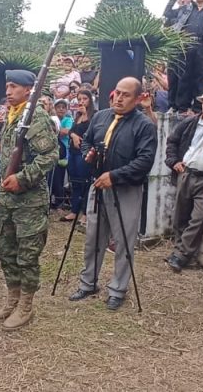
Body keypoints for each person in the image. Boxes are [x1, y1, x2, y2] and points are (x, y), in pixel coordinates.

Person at [69, 77, 158, 310]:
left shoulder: (144, 125)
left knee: (123, 241)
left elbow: (145, 161)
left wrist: (115, 175)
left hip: (125, 188)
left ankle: (118, 289)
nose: (119, 98)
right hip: (98, 185)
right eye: (117, 92)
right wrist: (89, 154)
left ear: (138, 98)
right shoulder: (100, 116)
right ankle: (88, 283)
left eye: (126, 94)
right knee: (93, 237)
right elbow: (88, 141)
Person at [0, 70, 58, 329]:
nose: (9, 91)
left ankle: (26, 306)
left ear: (29, 90)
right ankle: (11, 300)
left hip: (29, 202)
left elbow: (49, 156)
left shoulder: (35, 116)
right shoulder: (12, 116)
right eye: (7, 86)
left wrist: (23, 178)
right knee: (7, 251)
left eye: (14, 86)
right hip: (7, 200)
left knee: (27, 255)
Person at [164, 87, 203, 272]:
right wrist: (174, 161)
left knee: (198, 218)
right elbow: (172, 142)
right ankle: (180, 251)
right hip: (187, 173)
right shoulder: (190, 122)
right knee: (180, 216)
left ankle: (181, 255)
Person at [63, 90, 95, 223]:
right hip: (73, 152)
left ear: (90, 100)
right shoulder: (77, 116)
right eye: (79, 99)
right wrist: (73, 135)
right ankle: (74, 210)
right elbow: (71, 131)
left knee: (85, 182)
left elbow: (91, 131)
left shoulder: (94, 115)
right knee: (75, 182)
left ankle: (85, 213)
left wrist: (85, 114)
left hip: (85, 152)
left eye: (85, 99)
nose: (81, 102)